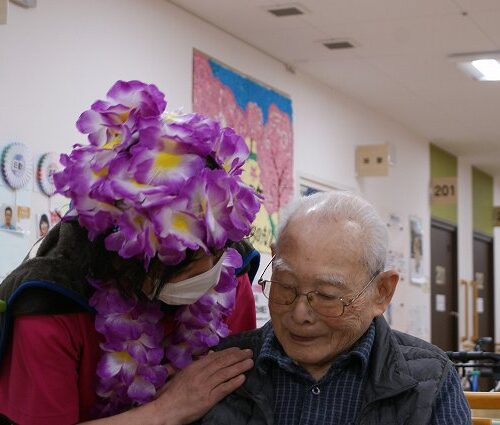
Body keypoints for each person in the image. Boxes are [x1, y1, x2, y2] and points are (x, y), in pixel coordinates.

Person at [0, 80, 262, 424]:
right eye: (194, 260)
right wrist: (165, 411)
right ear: (134, 257)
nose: (213, 268)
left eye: (218, 248)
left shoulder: (230, 275)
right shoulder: (51, 304)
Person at [199, 191, 472, 425]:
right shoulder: (220, 370)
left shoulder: (430, 382)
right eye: (286, 286)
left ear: (382, 292)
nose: (299, 314)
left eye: (327, 296)